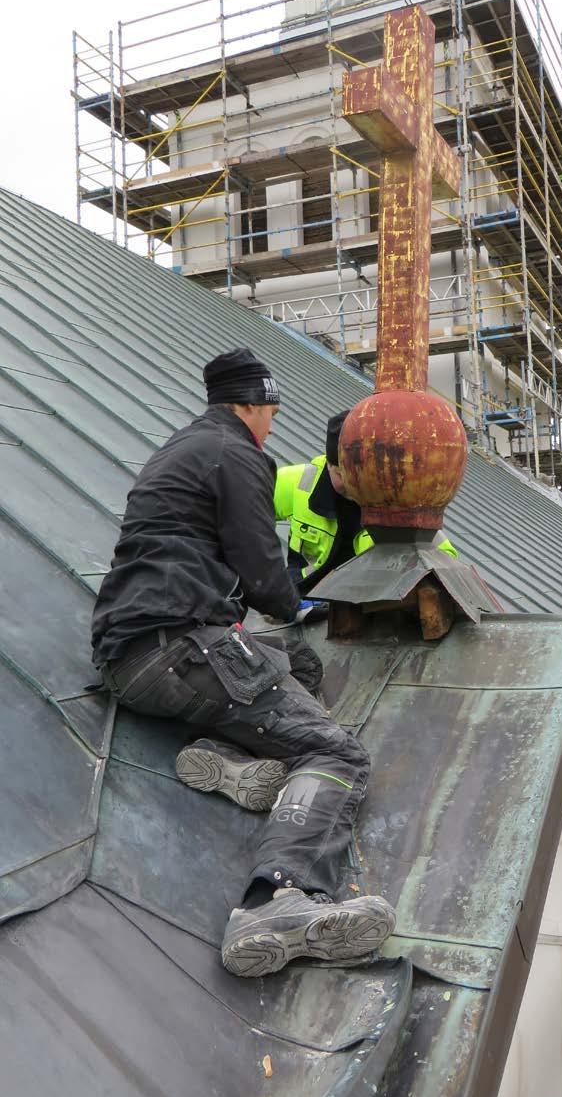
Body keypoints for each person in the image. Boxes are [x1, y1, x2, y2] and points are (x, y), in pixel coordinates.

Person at [91, 347, 395, 978]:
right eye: (272, 410)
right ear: (254, 404)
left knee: (298, 671)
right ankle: (279, 897)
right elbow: (261, 571)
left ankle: (230, 760)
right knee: (337, 752)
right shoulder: (239, 455)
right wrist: (303, 606)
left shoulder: (184, 446)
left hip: (130, 657)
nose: (273, 423)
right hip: (186, 647)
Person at [274, 409, 458, 597]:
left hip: (363, 607)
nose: (350, 484)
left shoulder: (397, 497)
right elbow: (246, 513)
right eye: (340, 475)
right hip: (301, 597)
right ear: (328, 464)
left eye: (357, 477)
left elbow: (444, 558)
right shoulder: (298, 481)